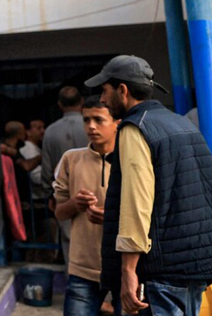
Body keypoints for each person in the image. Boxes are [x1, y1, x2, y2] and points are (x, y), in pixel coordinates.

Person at [87, 56, 212, 316]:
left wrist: (128, 271)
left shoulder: (136, 128)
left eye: (104, 90)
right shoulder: (182, 123)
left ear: (123, 90)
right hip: (195, 264)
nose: (101, 99)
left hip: (160, 271)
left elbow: (136, 203)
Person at [53, 97, 121, 316]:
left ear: (117, 123)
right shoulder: (71, 160)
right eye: (87, 120)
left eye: (99, 120)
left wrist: (113, 216)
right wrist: (75, 203)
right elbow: (59, 213)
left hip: (127, 266)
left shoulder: (131, 160)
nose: (91, 126)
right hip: (83, 267)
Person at [42, 86, 88, 264]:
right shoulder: (94, 125)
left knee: (70, 242)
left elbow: (47, 169)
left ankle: (75, 284)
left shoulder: (51, 131)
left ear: (60, 105)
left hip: (65, 194)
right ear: (81, 101)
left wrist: (49, 193)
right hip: (96, 191)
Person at [21, 119, 46, 200]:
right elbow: (36, 177)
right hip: (38, 198)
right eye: (39, 128)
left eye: (43, 128)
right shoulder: (29, 148)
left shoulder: (36, 148)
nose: (43, 131)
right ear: (28, 132)